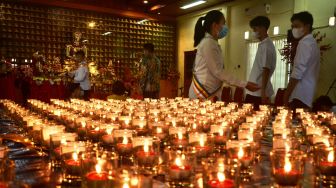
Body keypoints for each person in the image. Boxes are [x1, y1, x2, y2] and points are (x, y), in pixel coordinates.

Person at [189, 10, 259, 101]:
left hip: (210, 92)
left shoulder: (212, 43)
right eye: (223, 23)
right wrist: (244, 84)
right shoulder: (208, 43)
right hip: (202, 93)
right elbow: (218, 71)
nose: (225, 27)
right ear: (214, 25)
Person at [283, 11, 320, 111]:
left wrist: (286, 95)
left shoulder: (304, 43)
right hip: (307, 94)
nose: (294, 29)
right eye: (292, 26)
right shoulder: (312, 43)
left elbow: (297, 72)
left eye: (297, 26)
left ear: (307, 26)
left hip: (299, 95)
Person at [245, 16, 276, 110]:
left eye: (255, 29)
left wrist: (263, 93)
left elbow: (266, 69)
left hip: (258, 93)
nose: (253, 32)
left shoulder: (266, 46)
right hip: (254, 91)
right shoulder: (263, 44)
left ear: (263, 28)